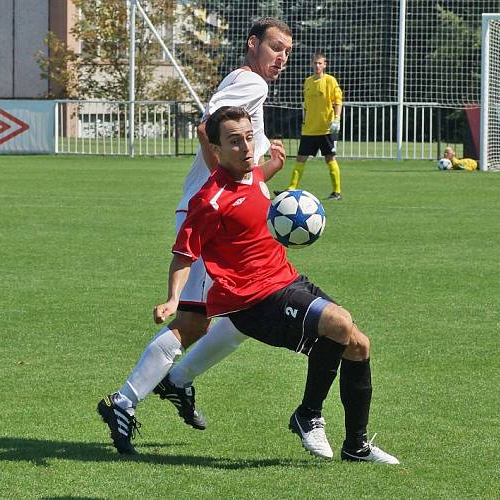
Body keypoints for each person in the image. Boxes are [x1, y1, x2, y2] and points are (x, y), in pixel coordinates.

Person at [155, 106, 399, 464]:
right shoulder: (208, 200)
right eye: (234, 141)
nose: (245, 147)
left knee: (359, 345)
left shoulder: (253, 174)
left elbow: (253, 184)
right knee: (339, 324)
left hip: (285, 279)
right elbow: (184, 254)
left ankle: (356, 447)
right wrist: (174, 299)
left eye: (248, 138)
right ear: (216, 150)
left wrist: (275, 166)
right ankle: (308, 414)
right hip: (251, 300)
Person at [97, 18, 293, 455]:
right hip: (214, 218)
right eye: (275, 47)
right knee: (192, 323)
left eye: (286, 52)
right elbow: (209, 128)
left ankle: (177, 380)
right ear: (253, 45)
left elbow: (228, 143)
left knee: (245, 313)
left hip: (229, 215)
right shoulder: (252, 85)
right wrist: (224, 184)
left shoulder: (245, 83)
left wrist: (261, 171)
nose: (281, 57)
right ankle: (124, 402)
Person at [283, 52, 344, 201]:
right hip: (309, 129)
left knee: (330, 158)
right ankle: (291, 188)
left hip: (326, 129)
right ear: (312, 64)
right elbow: (307, 106)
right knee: (300, 158)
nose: (317, 66)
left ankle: (336, 192)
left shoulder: (330, 81)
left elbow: (338, 101)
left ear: (325, 65)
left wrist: (336, 119)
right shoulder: (308, 82)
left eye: (320, 63)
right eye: (315, 63)